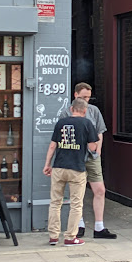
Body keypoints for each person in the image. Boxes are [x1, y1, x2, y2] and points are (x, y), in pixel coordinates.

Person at [59, 82, 117, 239]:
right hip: (75, 157)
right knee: (77, 192)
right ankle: (80, 224)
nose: (86, 100)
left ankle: (99, 227)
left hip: (92, 156)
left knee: (100, 190)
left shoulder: (94, 111)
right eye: (83, 97)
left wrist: (98, 150)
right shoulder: (65, 113)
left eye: (88, 97)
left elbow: (100, 132)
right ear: (75, 95)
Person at [44, 98, 99, 246]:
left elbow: (52, 146)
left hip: (59, 167)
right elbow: (92, 146)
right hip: (77, 168)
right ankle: (70, 237)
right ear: (85, 111)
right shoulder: (87, 123)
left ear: (71, 109)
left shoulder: (60, 123)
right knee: (76, 204)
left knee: (55, 202)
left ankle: (53, 236)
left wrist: (47, 164)